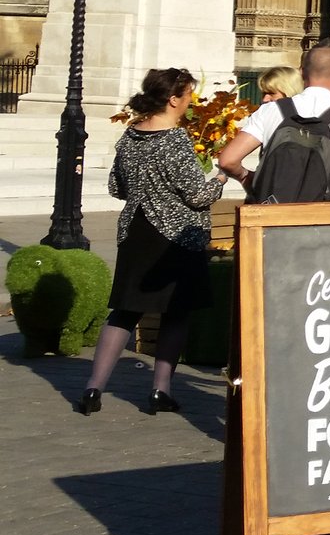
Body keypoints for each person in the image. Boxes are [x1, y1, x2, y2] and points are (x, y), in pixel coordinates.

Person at [80, 68, 227, 415]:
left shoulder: (130, 137)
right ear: (173, 99)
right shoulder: (175, 140)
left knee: (125, 311)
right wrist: (221, 176)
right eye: (188, 94)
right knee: (176, 312)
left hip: (136, 232)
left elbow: (117, 188)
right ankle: (160, 389)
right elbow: (197, 195)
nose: (190, 100)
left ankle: (92, 388)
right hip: (176, 237)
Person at [219, 42, 330, 201]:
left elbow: (228, 160)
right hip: (323, 222)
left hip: (273, 218)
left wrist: (248, 179)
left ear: (302, 73)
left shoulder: (271, 110)